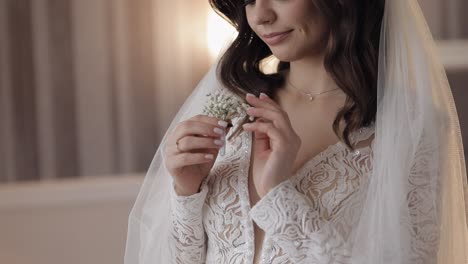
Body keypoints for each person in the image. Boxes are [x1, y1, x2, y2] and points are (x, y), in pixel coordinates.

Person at [124, 0, 468, 263]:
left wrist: (278, 195)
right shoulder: (231, 109)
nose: (260, 16)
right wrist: (187, 191)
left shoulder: (409, 128)